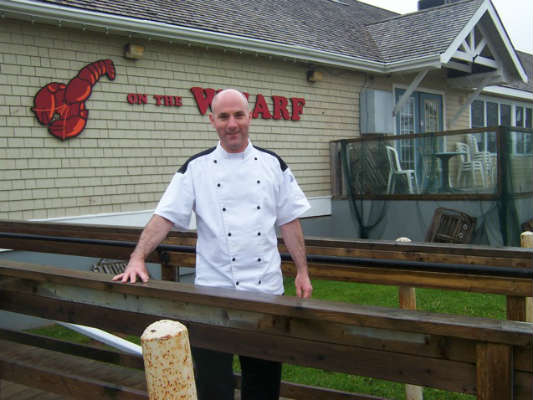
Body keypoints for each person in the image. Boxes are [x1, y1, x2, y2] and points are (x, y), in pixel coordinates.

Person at [113, 88, 313, 399]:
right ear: (212, 121)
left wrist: (302, 271)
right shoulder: (196, 168)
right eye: (224, 117)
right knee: (213, 386)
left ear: (250, 117)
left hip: (265, 293)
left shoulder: (274, 165)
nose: (232, 124)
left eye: (238, 115)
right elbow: (164, 216)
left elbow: (289, 221)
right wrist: (137, 257)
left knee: (262, 386)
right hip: (212, 293)